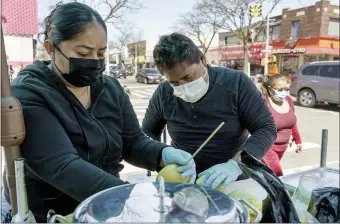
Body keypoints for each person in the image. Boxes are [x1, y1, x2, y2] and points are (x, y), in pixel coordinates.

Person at [2, 3, 196, 222]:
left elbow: (132, 142)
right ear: (50, 48)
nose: (94, 60)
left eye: (101, 53)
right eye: (83, 52)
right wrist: (131, 197)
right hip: (54, 213)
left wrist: (161, 154)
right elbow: (62, 165)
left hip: (107, 208)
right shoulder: (29, 92)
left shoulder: (110, 88)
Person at [142, 33, 277, 191]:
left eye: (188, 78)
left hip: (231, 180)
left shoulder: (236, 84)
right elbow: (147, 131)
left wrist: (236, 165)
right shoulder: (164, 93)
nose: (183, 86)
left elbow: (266, 128)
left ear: (202, 59)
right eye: (174, 82)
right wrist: (162, 156)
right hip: (182, 180)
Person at [260, 74, 302, 176]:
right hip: (267, 147)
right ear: (270, 89)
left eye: (286, 89)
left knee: (268, 177)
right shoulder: (264, 102)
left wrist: (298, 140)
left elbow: (292, 121)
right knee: (278, 176)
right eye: (280, 89)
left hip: (283, 147)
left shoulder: (288, 100)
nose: (283, 92)